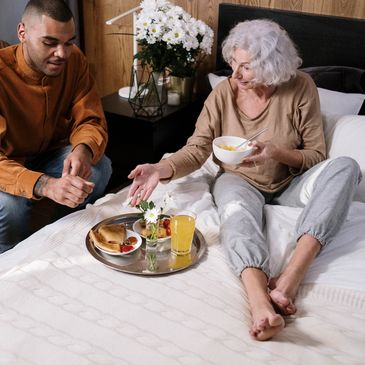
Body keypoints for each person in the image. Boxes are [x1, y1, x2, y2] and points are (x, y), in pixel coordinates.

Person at [127, 19, 363, 340]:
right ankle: (260, 303)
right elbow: (197, 149)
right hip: (238, 180)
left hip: (291, 184)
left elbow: (315, 156)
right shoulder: (224, 93)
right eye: (233, 64)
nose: (235, 75)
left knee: (347, 167)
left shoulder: (301, 87)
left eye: (247, 68)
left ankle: (291, 277)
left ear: (272, 66)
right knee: (235, 212)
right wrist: (160, 168)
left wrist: (275, 153)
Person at [0, 0, 112, 253]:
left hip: (50, 152)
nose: (62, 53)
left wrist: (82, 148)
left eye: (69, 42)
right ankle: (7, 258)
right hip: (8, 163)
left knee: (98, 168)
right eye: (50, 43)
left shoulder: (75, 61)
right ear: (22, 33)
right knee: (10, 206)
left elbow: (90, 118)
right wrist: (44, 184)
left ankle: (58, 237)